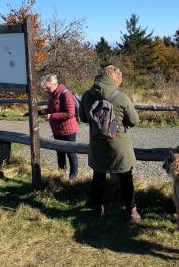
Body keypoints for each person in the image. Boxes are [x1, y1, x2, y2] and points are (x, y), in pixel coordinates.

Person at [79, 65, 141, 221]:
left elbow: (83, 118)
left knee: (98, 176)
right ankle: (131, 210)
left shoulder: (87, 95)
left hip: (97, 144)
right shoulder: (121, 97)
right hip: (118, 144)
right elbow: (134, 121)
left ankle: (97, 208)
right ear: (116, 80)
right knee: (126, 177)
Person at [42, 74, 79, 179]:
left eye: (48, 87)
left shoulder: (65, 94)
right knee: (60, 153)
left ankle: (73, 178)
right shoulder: (52, 95)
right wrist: (46, 111)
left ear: (54, 84)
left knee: (71, 153)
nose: (47, 90)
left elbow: (70, 113)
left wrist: (52, 116)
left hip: (68, 130)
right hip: (57, 130)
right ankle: (61, 175)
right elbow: (54, 108)